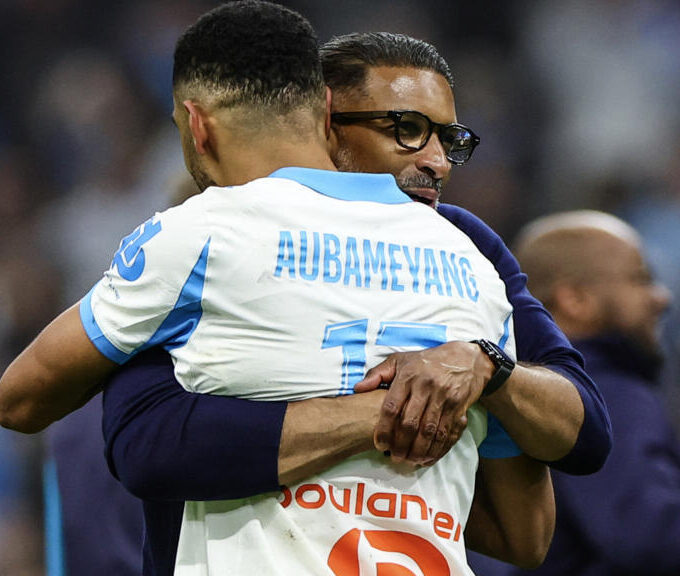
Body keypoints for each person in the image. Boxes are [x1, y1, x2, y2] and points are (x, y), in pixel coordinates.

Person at [0, 3, 555, 575]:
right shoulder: (473, 263)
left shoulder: (199, 234)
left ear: (196, 124)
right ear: (325, 111)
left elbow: (19, 400)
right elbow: (527, 534)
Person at [469, 209, 680, 576]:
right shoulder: (609, 394)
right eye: (640, 279)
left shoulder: (508, 399)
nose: (661, 297)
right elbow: (650, 538)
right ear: (575, 300)